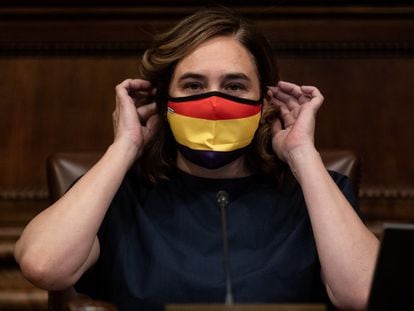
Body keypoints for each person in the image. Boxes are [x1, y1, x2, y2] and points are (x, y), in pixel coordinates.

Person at [14, 7, 379, 311]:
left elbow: (364, 294)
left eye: (235, 86)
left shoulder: (315, 194)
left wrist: (303, 154)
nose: (214, 103)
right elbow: (42, 266)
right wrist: (125, 146)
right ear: (163, 101)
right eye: (193, 86)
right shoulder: (118, 195)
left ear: (265, 102)